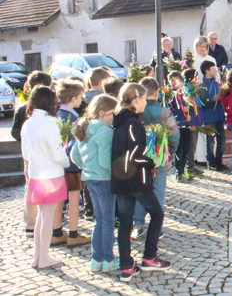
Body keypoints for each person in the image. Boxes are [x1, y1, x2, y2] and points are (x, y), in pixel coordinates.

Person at [111, 83, 171, 282]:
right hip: (135, 180)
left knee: (126, 223)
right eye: (145, 99)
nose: (146, 103)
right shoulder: (133, 124)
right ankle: (149, 257)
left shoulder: (119, 121)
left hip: (121, 179)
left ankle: (126, 266)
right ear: (136, 100)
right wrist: (153, 160)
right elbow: (136, 156)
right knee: (157, 212)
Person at [22, 86, 70, 269]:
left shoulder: (28, 124)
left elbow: (25, 154)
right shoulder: (50, 124)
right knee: (47, 217)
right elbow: (57, 153)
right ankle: (43, 258)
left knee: (42, 217)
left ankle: (37, 256)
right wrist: (66, 162)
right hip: (51, 174)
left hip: (36, 173)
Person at [71, 94, 120, 273]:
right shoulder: (105, 131)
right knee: (107, 221)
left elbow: (74, 156)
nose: (114, 117)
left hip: (90, 179)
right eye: (112, 113)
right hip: (104, 179)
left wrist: (87, 168)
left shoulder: (84, 127)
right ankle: (108, 259)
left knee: (99, 220)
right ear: (101, 113)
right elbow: (105, 161)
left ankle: (96, 259)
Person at [131, 78, 181, 241]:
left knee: (140, 190)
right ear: (157, 92)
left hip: (139, 158)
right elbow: (174, 134)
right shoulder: (164, 112)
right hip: (160, 157)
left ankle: (137, 225)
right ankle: (156, 226)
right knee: (158, 191)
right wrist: (171, 152)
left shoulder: (135, 111)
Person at [12, 71, 53, 238]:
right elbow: (16, 131)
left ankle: (36, 223)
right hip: (37, 155)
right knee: (36, 188)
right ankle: (33, 223)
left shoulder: (24, 107)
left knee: (33, 188)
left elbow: (15, 131)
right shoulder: (25, 108)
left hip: (31, 155)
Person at [56, 79, 91, 247]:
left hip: (57, 165)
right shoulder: (73, 117)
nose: (82, 100)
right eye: (80, 97)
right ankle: (73, 233)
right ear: (73, 99)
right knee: (74, 198)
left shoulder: (56, 115)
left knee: (59, 199)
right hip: (72, 165)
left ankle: (56, 231)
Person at [198, 61, 227, 171]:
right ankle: (211, 162)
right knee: (210, 142)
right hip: (209, 117)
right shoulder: (202, 86)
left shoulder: (218, 83)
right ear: (207, 71)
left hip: (219, 116)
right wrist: (212, 99)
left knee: (221, 141)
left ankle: (219, 161)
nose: (215, 71)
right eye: (213, 69)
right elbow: (203, 101)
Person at [167, 71, 194, 183]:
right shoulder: (168, 94)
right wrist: (181, 111)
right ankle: (178, 173)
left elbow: (192, 105)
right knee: (179, 150)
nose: (173, 82)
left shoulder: (184, 92)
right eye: (171, 80)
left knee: (186, 149)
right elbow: (169, 109)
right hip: (176, 125)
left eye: (176, 80)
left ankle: (184, 171)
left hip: (185, 125)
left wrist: (190, 114)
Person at [182, 69, 205, 176]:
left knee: (193, 147)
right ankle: (189, 167)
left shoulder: (194, 91)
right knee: (190, 147)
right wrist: (191, 123)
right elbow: (189, 110)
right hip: (191, 124)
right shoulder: (188, 92)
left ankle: (190, 167)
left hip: (196, 122)